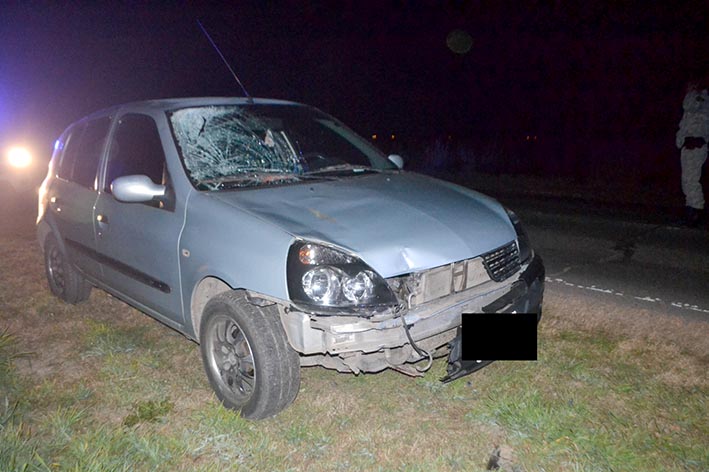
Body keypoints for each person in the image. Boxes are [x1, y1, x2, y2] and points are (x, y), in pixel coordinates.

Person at [676, 79, 709, 227]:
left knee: (692, 180)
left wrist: (692, 92)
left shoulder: (701, 98)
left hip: (696, 145)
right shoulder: (691, 106)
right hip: (688, 145)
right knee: (687, 180)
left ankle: (695, 212)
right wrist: (680, 142)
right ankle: (691, 211)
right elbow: (684, 126)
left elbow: (690, 105)